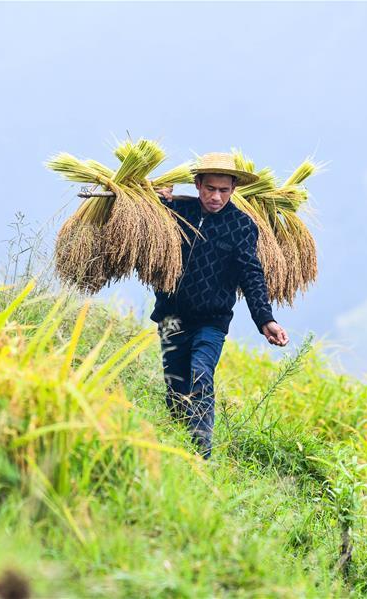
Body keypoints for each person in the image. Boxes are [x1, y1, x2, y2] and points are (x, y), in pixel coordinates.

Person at [153, 152, 289, 460]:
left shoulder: (242, 226)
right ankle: (176, 450)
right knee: (175, 385)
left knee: (201, 375)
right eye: (210, 188)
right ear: (198, 184)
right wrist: (158, 200)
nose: (216, 196)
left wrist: (265, 319)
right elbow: (149, 230)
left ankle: (202, 454)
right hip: (172, 317)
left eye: (223, 190)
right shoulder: (177, 211)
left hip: (211, 322)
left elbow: (251, 274)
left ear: (234, 189)